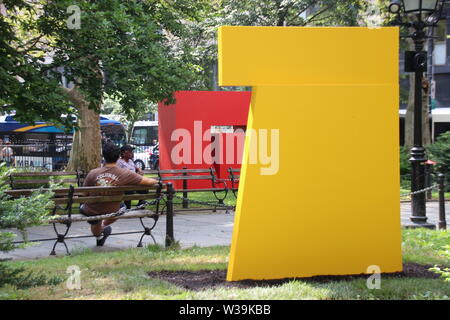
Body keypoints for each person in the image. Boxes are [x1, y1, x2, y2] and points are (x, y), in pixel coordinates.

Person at [80, 142, 158, 246]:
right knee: (122, 208)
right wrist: (159, 182)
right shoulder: (125, 173)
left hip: (92, 210)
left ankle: (99, 233)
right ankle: (103, 226)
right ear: (118, 156)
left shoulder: (92, 173)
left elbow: (84, 194)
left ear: (104, 156)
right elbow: (149, 181)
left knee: (91, 211)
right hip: (113, 209)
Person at [117, 144, 145, 209]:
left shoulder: (130, 161)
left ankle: (140, 206)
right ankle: (128, 208)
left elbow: (137, 168)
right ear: (123, 153)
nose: (132, 153)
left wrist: (139, 170)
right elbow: (120, 174)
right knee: (128, 191)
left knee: (145, 189)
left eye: (132, 151)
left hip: (134, 183)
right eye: (130, 151)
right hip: (125, 184)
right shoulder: (119, 162)